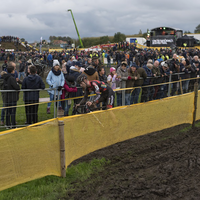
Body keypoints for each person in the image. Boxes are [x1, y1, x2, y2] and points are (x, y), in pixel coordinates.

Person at [3, 64, 20, 129]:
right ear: (12, 71)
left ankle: (7, 124)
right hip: (12, 97)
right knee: (12, 111)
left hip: (7, 97)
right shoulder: (11, 78)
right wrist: (17, 85)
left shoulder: (5, 78)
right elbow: (16, 87)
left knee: (8, 111)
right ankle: (13, 125)